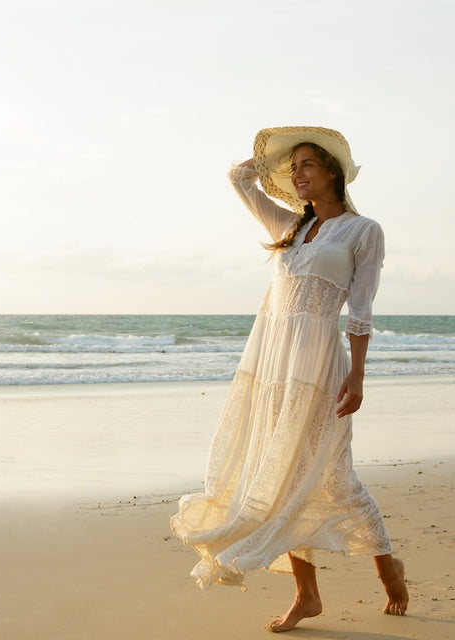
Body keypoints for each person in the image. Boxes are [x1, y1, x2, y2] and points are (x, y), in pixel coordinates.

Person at [170, 126, 409, 632]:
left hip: (320, 366)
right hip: (273, 366)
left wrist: (359, 375)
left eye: (307, 165)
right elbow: (238, 177)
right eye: (292, 167)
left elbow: (361, 311)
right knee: (282, 474)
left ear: (333, 173)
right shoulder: (290, 227)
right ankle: (307, 596)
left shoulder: (363, 231)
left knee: (333, 475)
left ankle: (390, 572)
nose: (296, 174)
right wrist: (273, 158)